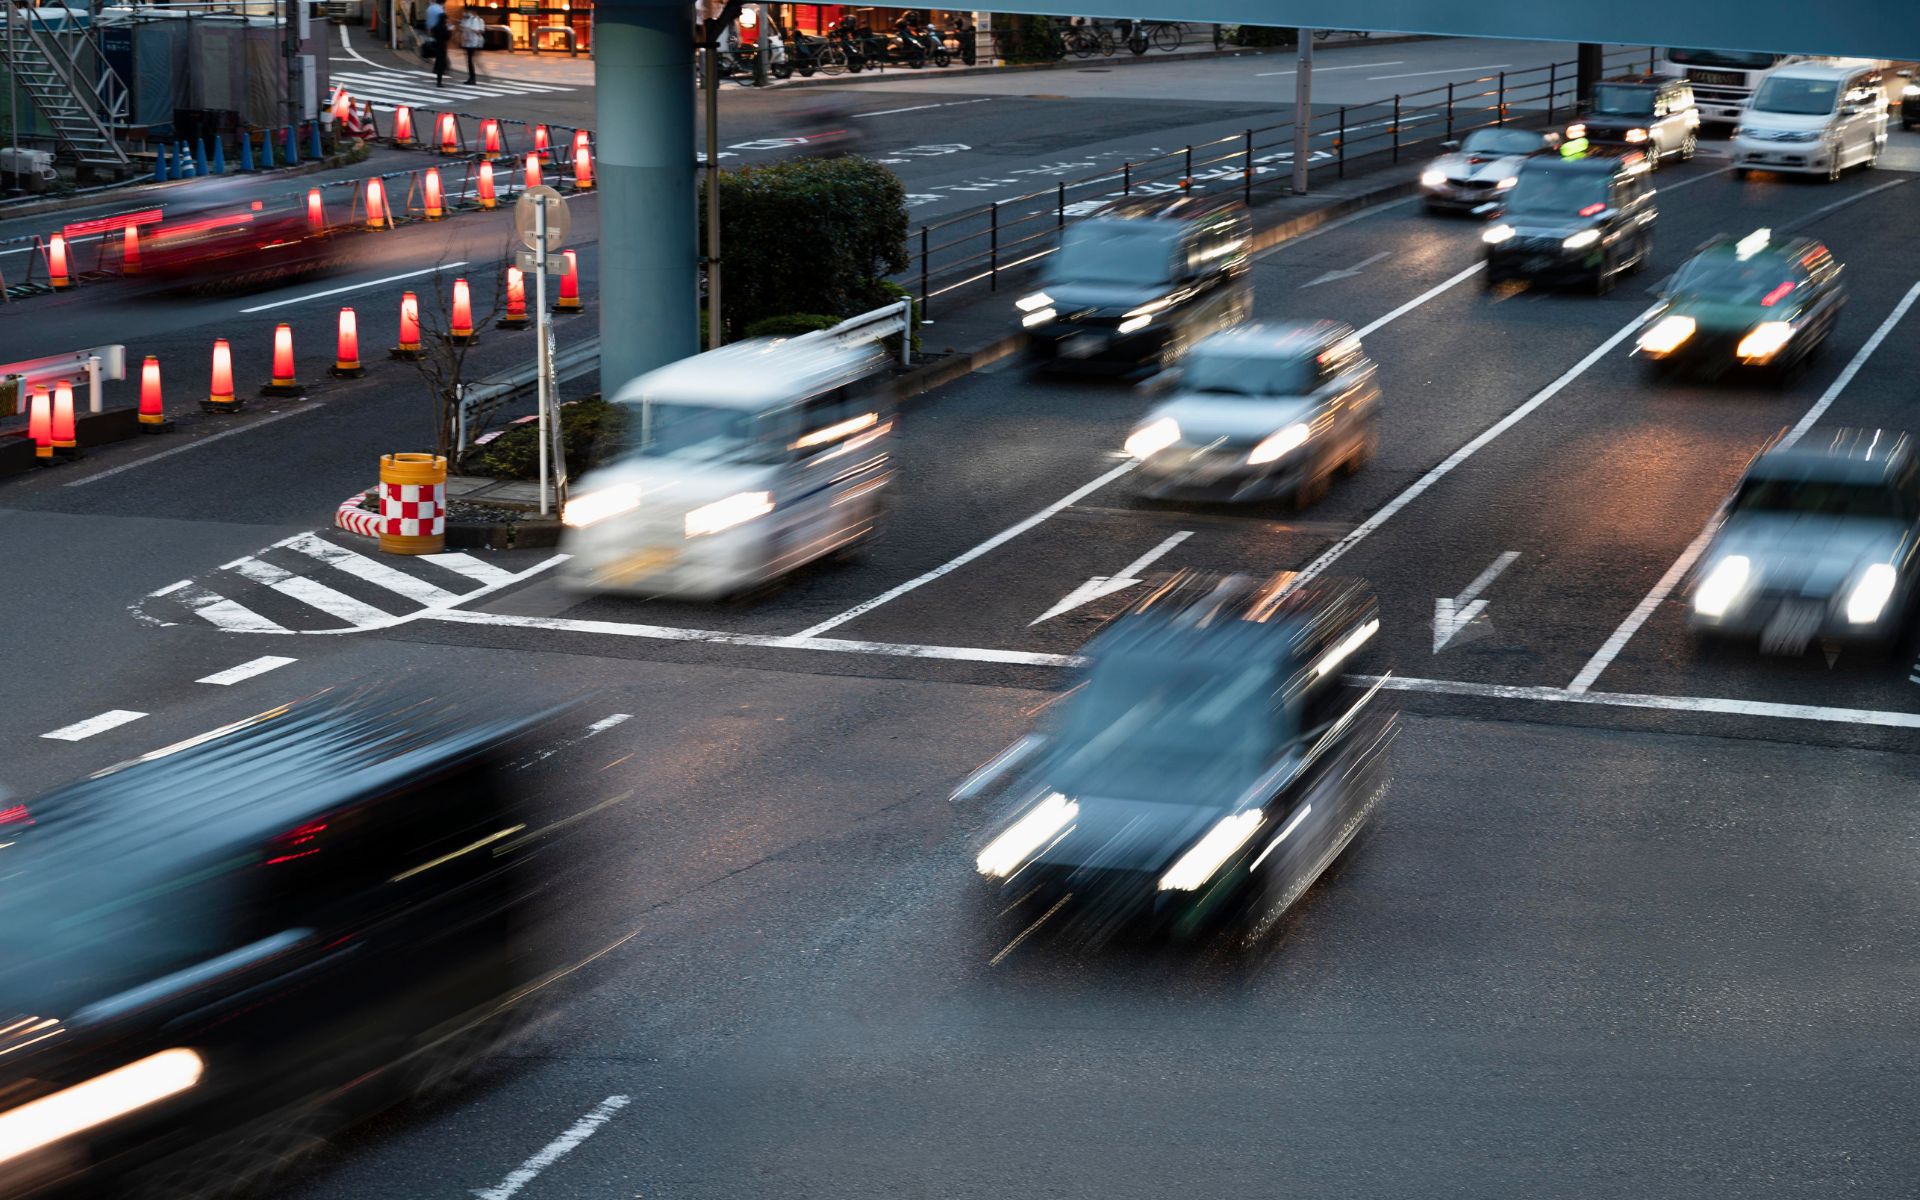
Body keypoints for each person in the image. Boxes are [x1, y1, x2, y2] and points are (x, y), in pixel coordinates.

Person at [424, 0, 450, 86]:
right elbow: (447, 36)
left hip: (433, 34)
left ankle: (437, 68)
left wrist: (429, 32)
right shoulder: (440, 10)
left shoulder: (429, 8)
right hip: (442, 42)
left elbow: (428, 21)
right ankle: (441, 72)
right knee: (442, 58)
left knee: (437, 55)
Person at [458, 5, 486, 84]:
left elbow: (481, 31)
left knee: (470, 60)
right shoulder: (465, 19)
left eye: (467, 11)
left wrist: (473, 30)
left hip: (474, 42)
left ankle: (473, 78)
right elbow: (461, 29)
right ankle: (471, 77)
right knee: (469, 60)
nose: (466, 13)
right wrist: (461, 27)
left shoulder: (479, 20)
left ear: (473, 12)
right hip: (466, 42)